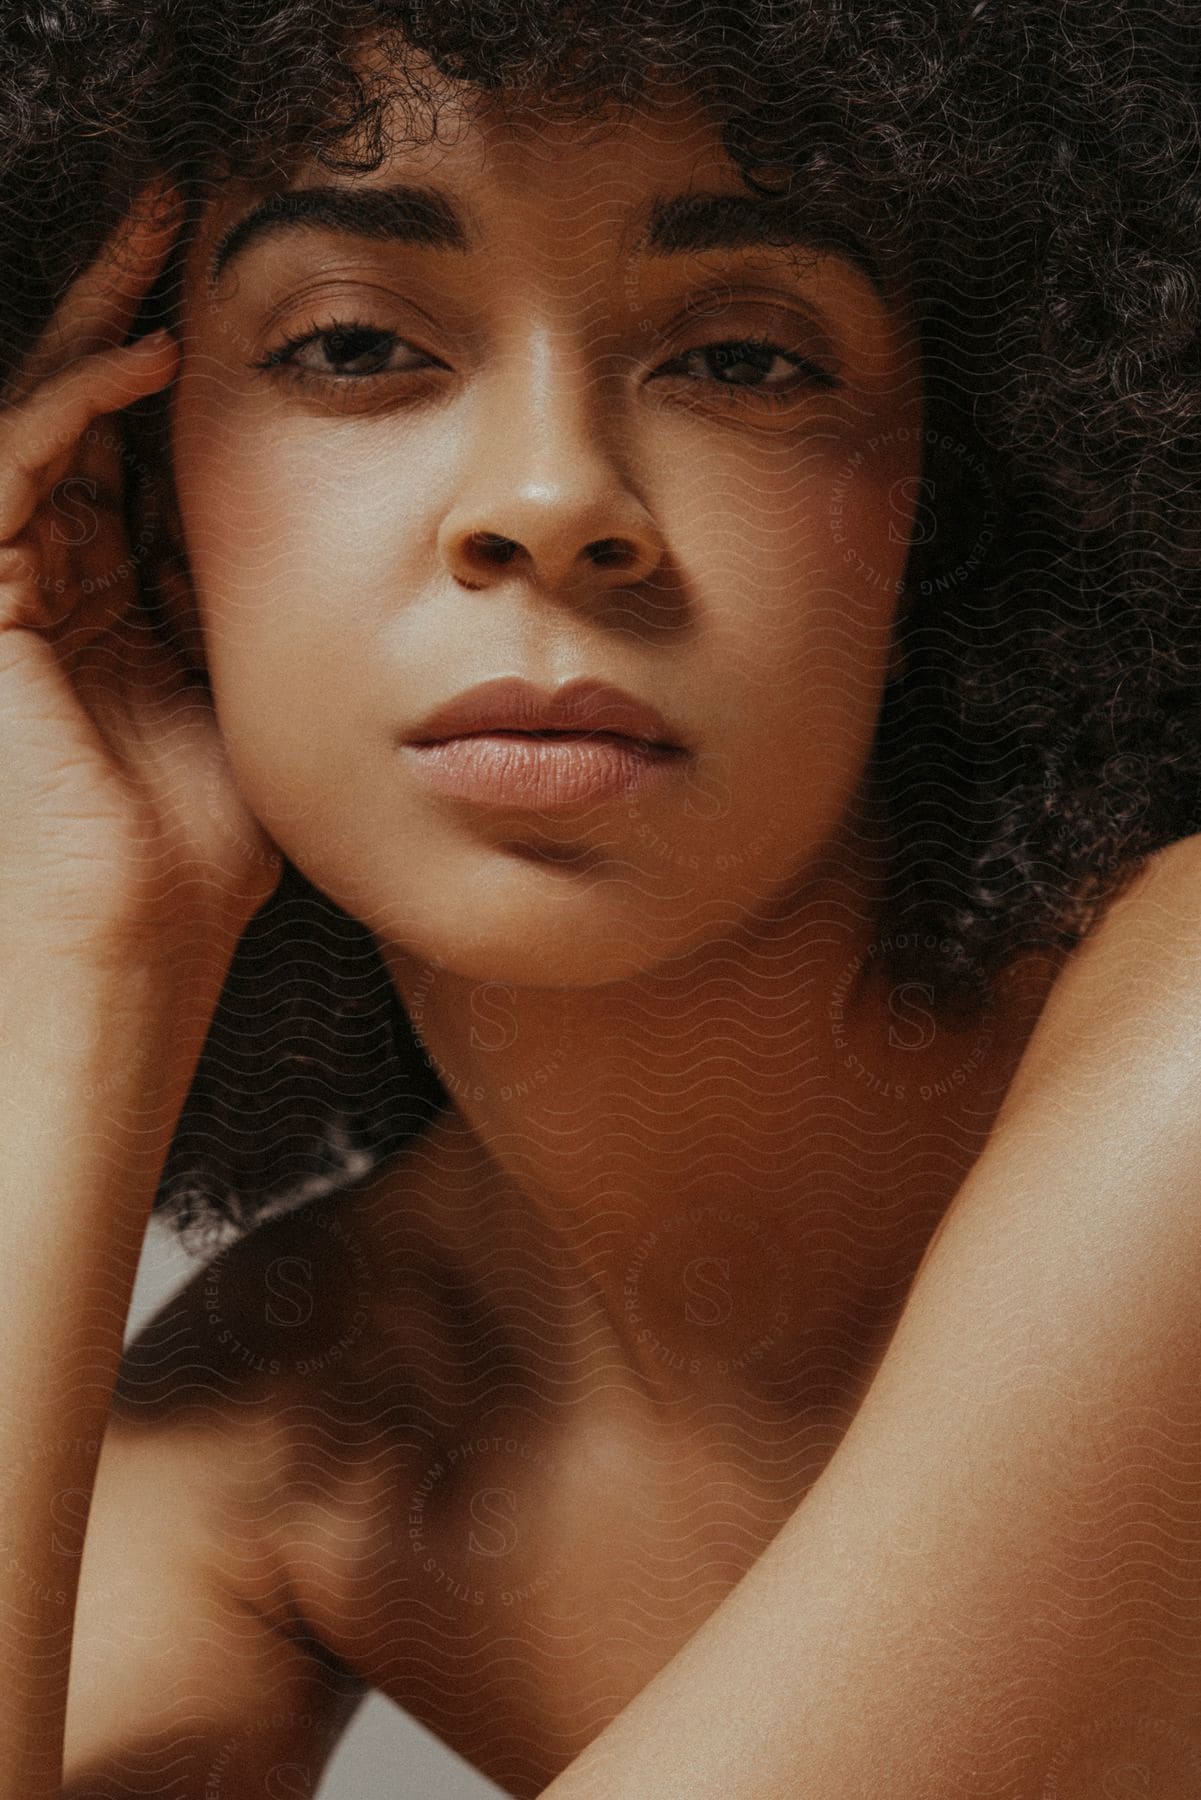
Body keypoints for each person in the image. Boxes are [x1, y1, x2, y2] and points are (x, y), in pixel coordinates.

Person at [3, 3, 1201, 1795]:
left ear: (958, 487)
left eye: (740, 359)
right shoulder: (299, 1430)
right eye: (349, 344)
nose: (552, 501)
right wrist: (85, 963)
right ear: (133, 500)